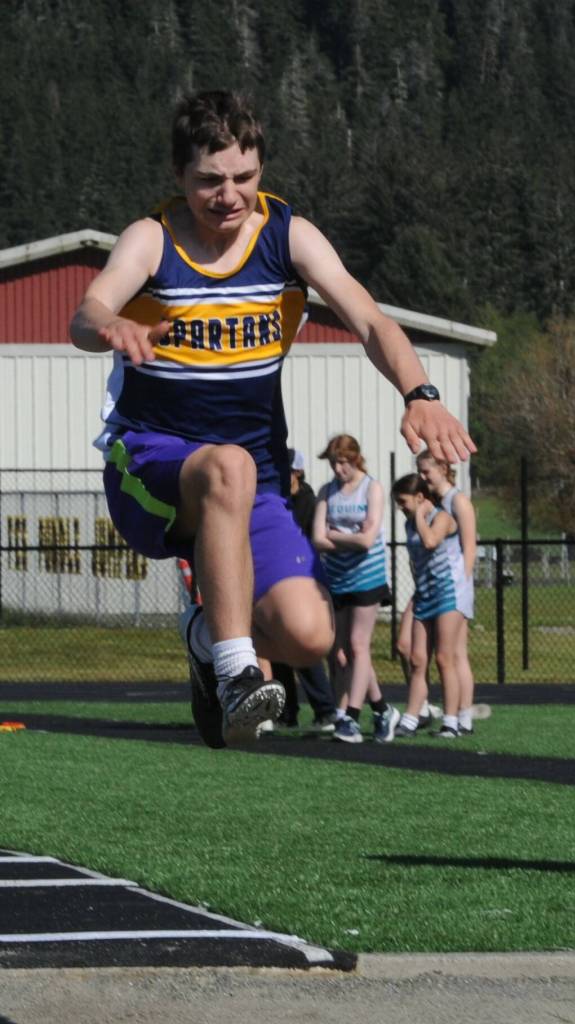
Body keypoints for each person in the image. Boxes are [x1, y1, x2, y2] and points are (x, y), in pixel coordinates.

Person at [69, 90, 474, 748]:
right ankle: (236, 674)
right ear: (178, 175)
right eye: (210, 180)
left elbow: (370, 320)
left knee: (309, 635)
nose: (228, 195)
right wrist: (111, 324)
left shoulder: (288, 236)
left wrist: (419, 392)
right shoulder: (152, 239)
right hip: (151, 465)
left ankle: (205, 637)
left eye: (244, 177)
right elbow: (87, 313)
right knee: (225, 464)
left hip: (252, 480)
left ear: (261, 170)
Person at [313, 435, 399, 743]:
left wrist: (335, 534)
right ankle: (383, 710)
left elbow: (366, 541)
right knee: (344, 653)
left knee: (358, 644)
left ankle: (350, 716)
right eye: (333, 463)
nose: (338, 469)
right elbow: (317, 538)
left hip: (367, 576)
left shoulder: (371, 488)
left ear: (355, 459)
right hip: (338, 578)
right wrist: (347, 536)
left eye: (343, 463)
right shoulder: (327, 492)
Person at [392, 473, 470, 738]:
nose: (400, 508)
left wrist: (420, 516)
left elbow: (430, 541)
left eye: (403, 502)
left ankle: (451, 722)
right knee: (417, 659)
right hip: (425, 595)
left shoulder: (442, 518)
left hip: (447, 594)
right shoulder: (410, 524)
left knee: (444, 658)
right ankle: (411, 719)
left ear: (420, 497)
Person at [270, 449, 337, 732]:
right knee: (277, 650)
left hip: (301, 578)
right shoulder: (276, 499)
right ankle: (287, 713)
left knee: (302, 648)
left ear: (297, 472)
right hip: (276, 579)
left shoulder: (308, 502)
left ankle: (326, 711)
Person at [414, 449, 478, 734]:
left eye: (426, 471)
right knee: (456, 653)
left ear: (442, 468)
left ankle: (461, 717)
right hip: (438, 584)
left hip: (455, 585)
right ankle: (463, 715)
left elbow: (469, 546)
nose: (422, 477)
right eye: (420, 471)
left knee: (451, 654)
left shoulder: (458, 500)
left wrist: (463, 584)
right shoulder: (435, 501)